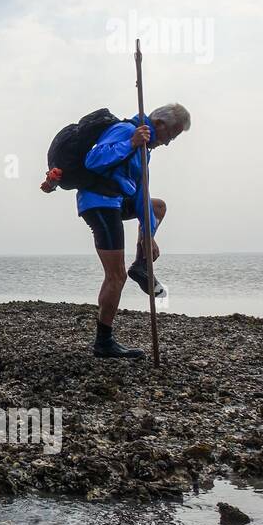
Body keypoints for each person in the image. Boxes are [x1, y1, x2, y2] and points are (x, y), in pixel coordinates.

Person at [79, 103, 191, 358]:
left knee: (157, 207)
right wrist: (129, 143)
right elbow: (92, 160)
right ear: (160, 124)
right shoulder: (125, 130)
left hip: (119, 200)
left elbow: (142, 195)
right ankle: (103, 342)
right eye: (171, 135)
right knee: (116, 276)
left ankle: (141, 266)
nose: (169, 142)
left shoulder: (145, 150)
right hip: (99, 201)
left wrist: (148, 235)